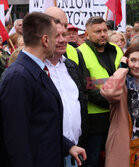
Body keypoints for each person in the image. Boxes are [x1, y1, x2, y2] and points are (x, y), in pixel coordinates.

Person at [0, 12, 86, 167]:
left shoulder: (36, 70)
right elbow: (16, 139)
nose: (60, 41)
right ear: (46, 40)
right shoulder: (18, 77)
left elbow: (43, 125)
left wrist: (68, 146)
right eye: (55, 37)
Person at [77, 16, 123, 166]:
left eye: (104, 30)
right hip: (94, 120)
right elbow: (85, 88)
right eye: (97, 31)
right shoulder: (80, 53)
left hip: (116, 116)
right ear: (87, 34)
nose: (103, 34)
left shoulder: (116, 49)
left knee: (115, 159)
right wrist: (112, 100)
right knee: (93, 160)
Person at [45, 22, 88, 167]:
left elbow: (81, 101)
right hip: (48, 153)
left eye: (64, 34)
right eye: (56, 36)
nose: (63, 40)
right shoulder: (35, 70)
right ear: (44, 39)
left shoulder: (71, 66)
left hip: (75, 151)